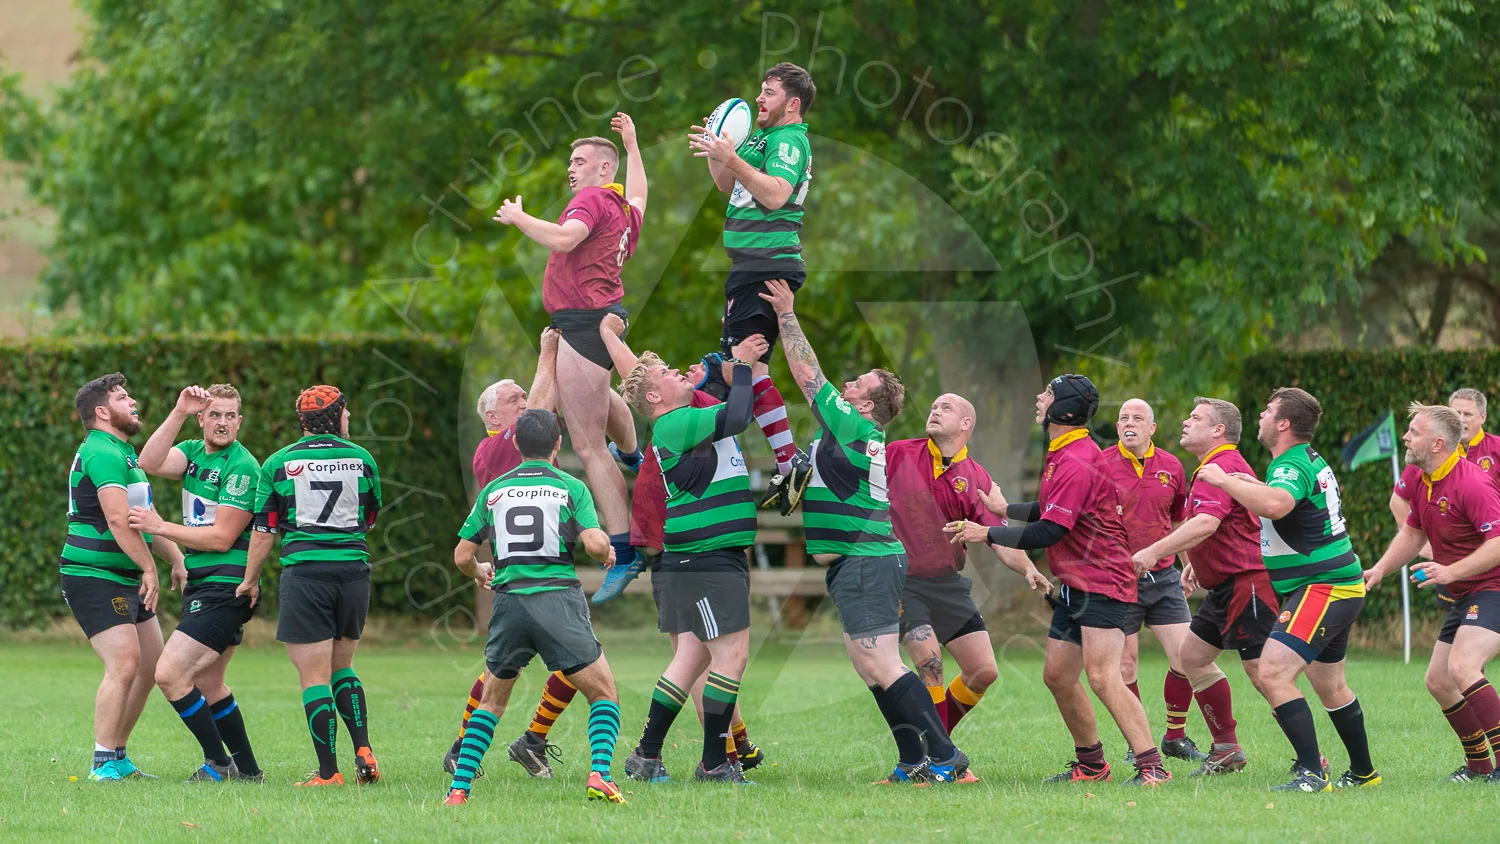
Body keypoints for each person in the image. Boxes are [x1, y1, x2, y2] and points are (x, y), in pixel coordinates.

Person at [761, 279, 969, 785]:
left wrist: (787, 314)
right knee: (868, 662)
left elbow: (807, 374)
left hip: (866, 560)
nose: (846, 387)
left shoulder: (853, 426)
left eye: (856, 385)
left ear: (867, 406)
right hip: (859, 562)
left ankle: (946, 756)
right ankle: (913, 761)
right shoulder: (846, 431)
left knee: (881, 662)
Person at [948, 375, 1171, 786]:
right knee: (1058, 676)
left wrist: (987, 532)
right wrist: (1005, 509)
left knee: (1103, 677)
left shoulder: (1077, 456)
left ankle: (1153, 767)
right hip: (1077, 583)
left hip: (1103, 579)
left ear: (1064, 409)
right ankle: (1092, 765)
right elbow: (1051, 506)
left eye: (1048, 394)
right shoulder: (1065, 450)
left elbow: (1051, 529)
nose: (1039, 398)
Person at [442, 328, 616, 779]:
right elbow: (541, 408)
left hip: (535, 579)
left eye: (522, 396)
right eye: (513, 399)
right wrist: (549, 350)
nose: (523, 403)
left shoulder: (530, 452)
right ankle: (466, 747)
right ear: (493, 416)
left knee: (569, 664)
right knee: (507, 675)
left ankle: (528, 742)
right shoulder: (495, 446)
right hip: (529, 578)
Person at [492, 113, 647, 601]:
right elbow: (641, 194)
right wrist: (633, 145)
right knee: (598, 405)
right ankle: (634, 456)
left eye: (580, 161)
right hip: (599, 317)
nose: (571, 169)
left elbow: (564, 238)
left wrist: (518, 218)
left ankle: (624, 552)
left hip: (583, 322)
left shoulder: (593, 199)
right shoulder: (621, 207)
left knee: (587, 445)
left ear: (604, 168)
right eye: (571, 162)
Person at [604, 317, 768, 776]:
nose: (677, 372)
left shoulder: (686, 418)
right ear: (655, 398)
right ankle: (714, 763)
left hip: (702, 557)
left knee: (690, 660)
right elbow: (737, 415)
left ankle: (645, 755)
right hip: (706, 557)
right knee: (731, 657)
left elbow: (732, 411)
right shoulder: (674, 423)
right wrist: (742, 366)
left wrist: (729, 372)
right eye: (667, 374)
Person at [1199, 387, 1379, 792]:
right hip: (1335, 586)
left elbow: (1277, 504)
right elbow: (1284, 504)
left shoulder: (1291, 464)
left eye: (1267, 411)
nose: (1260, 416)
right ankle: (1364, 773)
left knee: (1272, 672)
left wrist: (1224, 480)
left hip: (1324, 588)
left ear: (1283, 423)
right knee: (1330, 686)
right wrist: (1250, 483)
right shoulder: (1302, 460)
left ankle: (1312, 773)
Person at [885, 393, 1051, 750]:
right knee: (930, 664)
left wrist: (1028, 568)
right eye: (933, 406)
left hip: (946, 583)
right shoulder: (898, 453)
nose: (935, 411)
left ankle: (933, 747)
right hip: (901, 581)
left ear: (966, 424)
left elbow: (998, 538)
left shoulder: (976, 478)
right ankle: (938, 757)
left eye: (945, 408)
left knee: (983, 671)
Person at [238, 385, 383, 786]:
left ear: (303, 421)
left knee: (314, 677)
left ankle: (328, 772)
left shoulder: (279, 463)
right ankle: (363, 748)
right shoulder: (362, 459)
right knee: (343, 667)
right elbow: (370, 518)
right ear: (337, 417)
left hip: (306, 575)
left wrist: (249, 580)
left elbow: (265, 530)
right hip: (353, 573)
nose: (348, 418)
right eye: (346, 413)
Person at [688, 63, 815, 514]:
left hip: (767, 265)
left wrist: (734, 156)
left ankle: (786, 460)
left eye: (769, 92)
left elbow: (776, 194)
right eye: (760, 90)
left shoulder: (789, 140)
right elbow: (728, 183)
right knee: (745, 366)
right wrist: (717, 149)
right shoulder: (762, 138)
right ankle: (787, 460)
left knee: (740, 367)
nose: (759, 98)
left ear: (792, 103)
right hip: (748, 268)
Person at [1130, 398, 1271, 778]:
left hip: (1247, 583)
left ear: (1218, 430)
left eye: (1195, 418)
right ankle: (1226, 749)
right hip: (1225, 585)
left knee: (1266, 674)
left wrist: (1155, 551)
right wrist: (1196, 560)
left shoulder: (1221, 465)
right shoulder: (1214, 465)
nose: (1186, 422)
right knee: (1191, 656)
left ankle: (1313, 760)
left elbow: (1207, 522)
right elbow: (1224, 524)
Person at [129, 383, 263, 782]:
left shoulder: (242, 467)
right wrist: (178, 412)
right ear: (201, 419)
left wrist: (160, 527)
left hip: (226, 586)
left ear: (239, 421)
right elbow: (149, 461)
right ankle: (248, 772)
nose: (222, 422)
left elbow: (222, 538)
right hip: (204, 583)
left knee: (169, 674)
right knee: (208, 681)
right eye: (214, 414)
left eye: (230, 415)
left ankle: (218, 763)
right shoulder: (193, 452)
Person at [1365, 403, 1500, 783]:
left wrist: (1450, 571)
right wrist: (1381, 569)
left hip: (1493, 587)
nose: (1406, 437)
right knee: (1439, 681)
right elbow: (1412, 533)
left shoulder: (1471, 483)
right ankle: (1479, 766)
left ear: (1438, 444)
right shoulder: (1422, 480)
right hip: (1466, 592)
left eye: (1414, 432)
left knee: (1463, 667)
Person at [61, 373, 185, 782]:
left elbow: (142, 520)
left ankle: (117, 756)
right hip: (93, 573)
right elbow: (117, 519)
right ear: (102, 412)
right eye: (122, 397)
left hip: (122, 575)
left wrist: (175, 557)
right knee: (125, 662)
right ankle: (102, 763)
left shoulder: (124, 453)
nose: (132, 402)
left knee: (150, 665)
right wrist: (149, 567)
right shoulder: (101, 451)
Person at [1097, 399, 1206, 765]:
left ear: (1152, 428)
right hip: (1117, 581)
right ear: (1117, 427)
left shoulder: (1172, 466)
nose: (1130, 423)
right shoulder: (1100, 464)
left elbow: (1179, 523)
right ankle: (1137, 743)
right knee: (1126, 666)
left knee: (1187, 657)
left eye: (1138, 418)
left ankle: (1175, 736)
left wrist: (1189, 565)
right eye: (1124, 418)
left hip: (1164, 577)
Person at [1389, 388, 1500, 612]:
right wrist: (1425, 545)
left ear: (1483, 417)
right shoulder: (1430, 453)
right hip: (1451, 560)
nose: (1461, 419)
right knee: (1456, 616)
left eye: (1468, 414)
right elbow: (1397, 502)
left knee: (1482, 620)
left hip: (1491, 555)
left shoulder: (1496, 448)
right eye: (1456, 413)